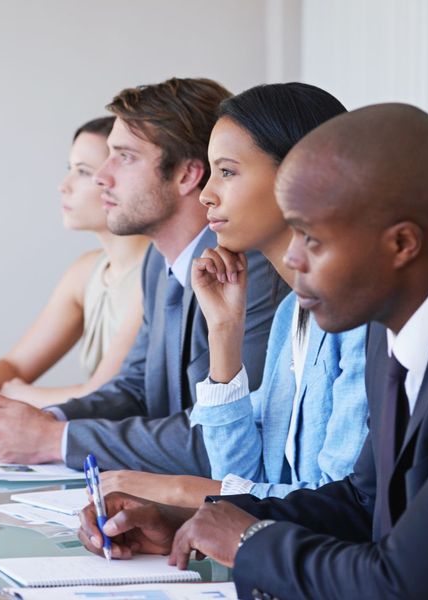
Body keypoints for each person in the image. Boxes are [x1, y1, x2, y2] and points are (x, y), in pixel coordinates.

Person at [78, 103, 428, 598]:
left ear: (402, 243)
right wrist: (194, 521)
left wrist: (249, 541)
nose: (292, 260)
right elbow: (363, 502)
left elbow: (408, 583)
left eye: (311, 241)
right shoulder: (398, 309)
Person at [0, 78, 284, 475]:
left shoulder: (252, 269)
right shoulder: (157, 263)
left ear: (186, 175)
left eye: (124, 157)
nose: (101, 176)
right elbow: (134, 388)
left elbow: (225, 433)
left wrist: (52, 441)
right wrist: (49, 421)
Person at [98, 83, 368, 507]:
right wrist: (224, 333)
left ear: (303, 176)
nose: (207, 194)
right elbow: (242, 478)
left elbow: (340, 506)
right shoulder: (290, 315)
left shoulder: (360, 319)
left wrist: (181, 491)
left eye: (227, 172)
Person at [0, 117, 149, 414]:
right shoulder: (86, 271)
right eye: (70, 170)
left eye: (84, 172)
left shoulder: (155, 275)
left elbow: (100, 395)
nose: (64, 186)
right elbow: (16, 364)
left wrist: (19, 394)